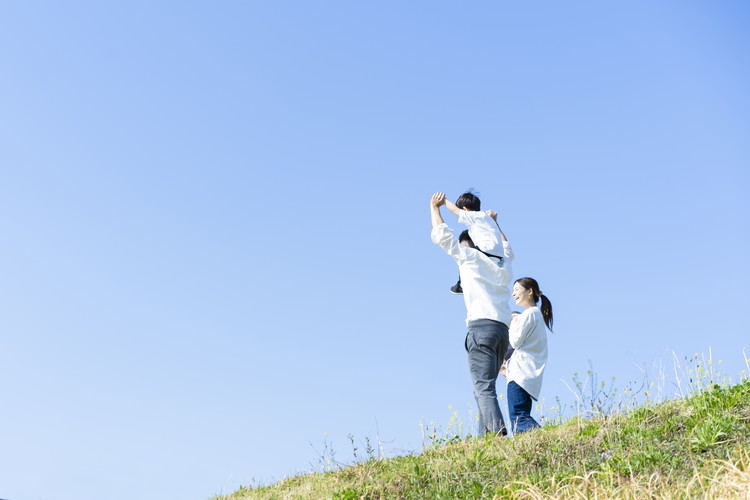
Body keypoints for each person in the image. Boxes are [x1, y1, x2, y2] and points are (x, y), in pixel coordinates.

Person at [430, 192, 514, 436]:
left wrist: (435, 207)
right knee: (484, 387)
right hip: (502, 329)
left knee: (482, 387)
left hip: (481, 326)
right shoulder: (505, 264)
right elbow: (506, 246)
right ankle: (484, 439)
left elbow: (442, 237)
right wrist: (496, 224)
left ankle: (497, 433)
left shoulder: (470, 257)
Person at [504, 277, 554, 434]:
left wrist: (513, 322)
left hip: (520, 374)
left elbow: (515, 341)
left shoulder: (529, 314)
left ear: (530, 291)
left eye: (517, 289)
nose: (514, 294)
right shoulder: (536, 315)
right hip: (526, 373)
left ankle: (544, 439)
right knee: (521, 416)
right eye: (513, 290)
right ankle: (534, 445)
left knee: (519, 418)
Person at [442, 191, 513, 294]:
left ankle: (461, 284)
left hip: (485, 250)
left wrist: (443, 200)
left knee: (463, 256)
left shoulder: (474, 216)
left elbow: (455, 210)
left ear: (465, 209)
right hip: (497, 255)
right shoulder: (488, 220)